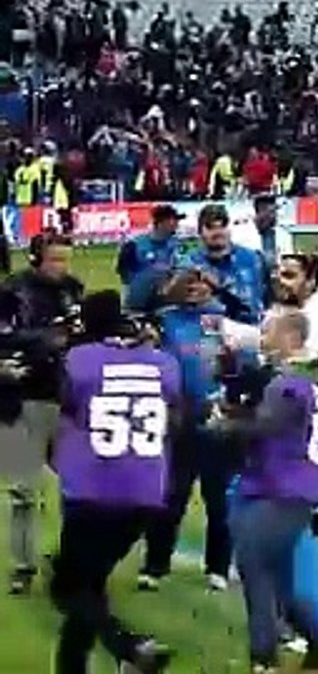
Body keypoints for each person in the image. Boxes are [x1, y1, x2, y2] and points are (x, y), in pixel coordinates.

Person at [48, 289, 182, 674]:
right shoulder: (164, 364)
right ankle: (76, 667)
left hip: (92, 489)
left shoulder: (81, 359)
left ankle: (129, 646)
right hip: (144, 492)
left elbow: (68, 403)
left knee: (68, 588)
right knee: (91, 585)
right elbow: (174, 413)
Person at [218, 310, 318, 673]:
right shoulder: (308, 378)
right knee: (281, 584)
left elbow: (267, 425)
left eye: (268, 329)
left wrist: (223, 424)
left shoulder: (289, 383)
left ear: (290, 336)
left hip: (280, 488)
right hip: (287, 485)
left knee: (255, 568)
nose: (262, 335)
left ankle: (264, 658)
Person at [137, 267, 237, 592]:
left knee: (219, 499)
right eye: (188, 283)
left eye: (200, 283)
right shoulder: (166, 319)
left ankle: (218, 567)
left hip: (218, 419)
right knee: (170, 497)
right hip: (177, 420)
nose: (193, 289)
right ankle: (155, 564)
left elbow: (244, 361)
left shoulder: (226, 319)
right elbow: (137, 305)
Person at [0, 230, 84, 594]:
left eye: (65, 259)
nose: (61, 267)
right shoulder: (12, 292)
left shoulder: (72, 290)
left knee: (78, 487)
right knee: (22, 491)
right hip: (20, 400)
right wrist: (46, 339)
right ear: (36, 258)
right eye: (55, 260)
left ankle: (71, 561)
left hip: (65, 399)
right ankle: (23, 566)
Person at [183, 204, 267, 325]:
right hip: (206, 336)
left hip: (250, 332)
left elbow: (268, 299)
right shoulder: (189, 264)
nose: (218, 232)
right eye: (210, 227)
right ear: (200, 232)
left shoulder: (254, 259)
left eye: (223, 226)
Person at [116, 205, 185, 314]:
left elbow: (181, 269)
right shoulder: (134, 245)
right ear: (161, 223)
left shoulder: (177, 245)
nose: (177, 224)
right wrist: (139, 285)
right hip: (135, 305)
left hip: (165, 305)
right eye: (174, 220)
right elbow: (122, 269)